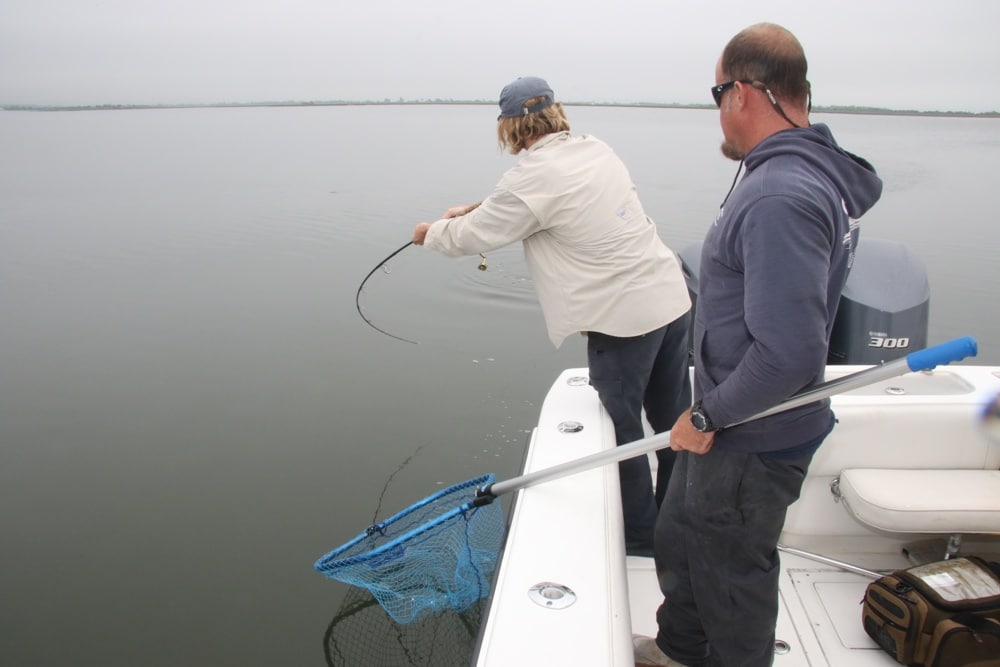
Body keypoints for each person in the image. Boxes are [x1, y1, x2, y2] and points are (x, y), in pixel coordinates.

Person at [633, 24, 883, 667]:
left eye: (717, 92)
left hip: (751, 432)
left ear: (744, 92)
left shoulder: (779, 194)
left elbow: (790, 353)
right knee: (683, 538)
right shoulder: (785, 175)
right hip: (729, 420)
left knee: (731, 579)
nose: (718, 109)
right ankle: (680, 651)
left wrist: (708, 415)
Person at [412, 76, 692, 556]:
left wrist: (431, 232)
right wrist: (473, 208)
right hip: (671, 298)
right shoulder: (594, 148)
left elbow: (475, 235)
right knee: (673, 424)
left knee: (621, 434)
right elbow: (528, 203)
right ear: (555, 113)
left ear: (510, 127)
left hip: (623, 321)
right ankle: (681, 515)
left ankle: (643, 540)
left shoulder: (530, 179)